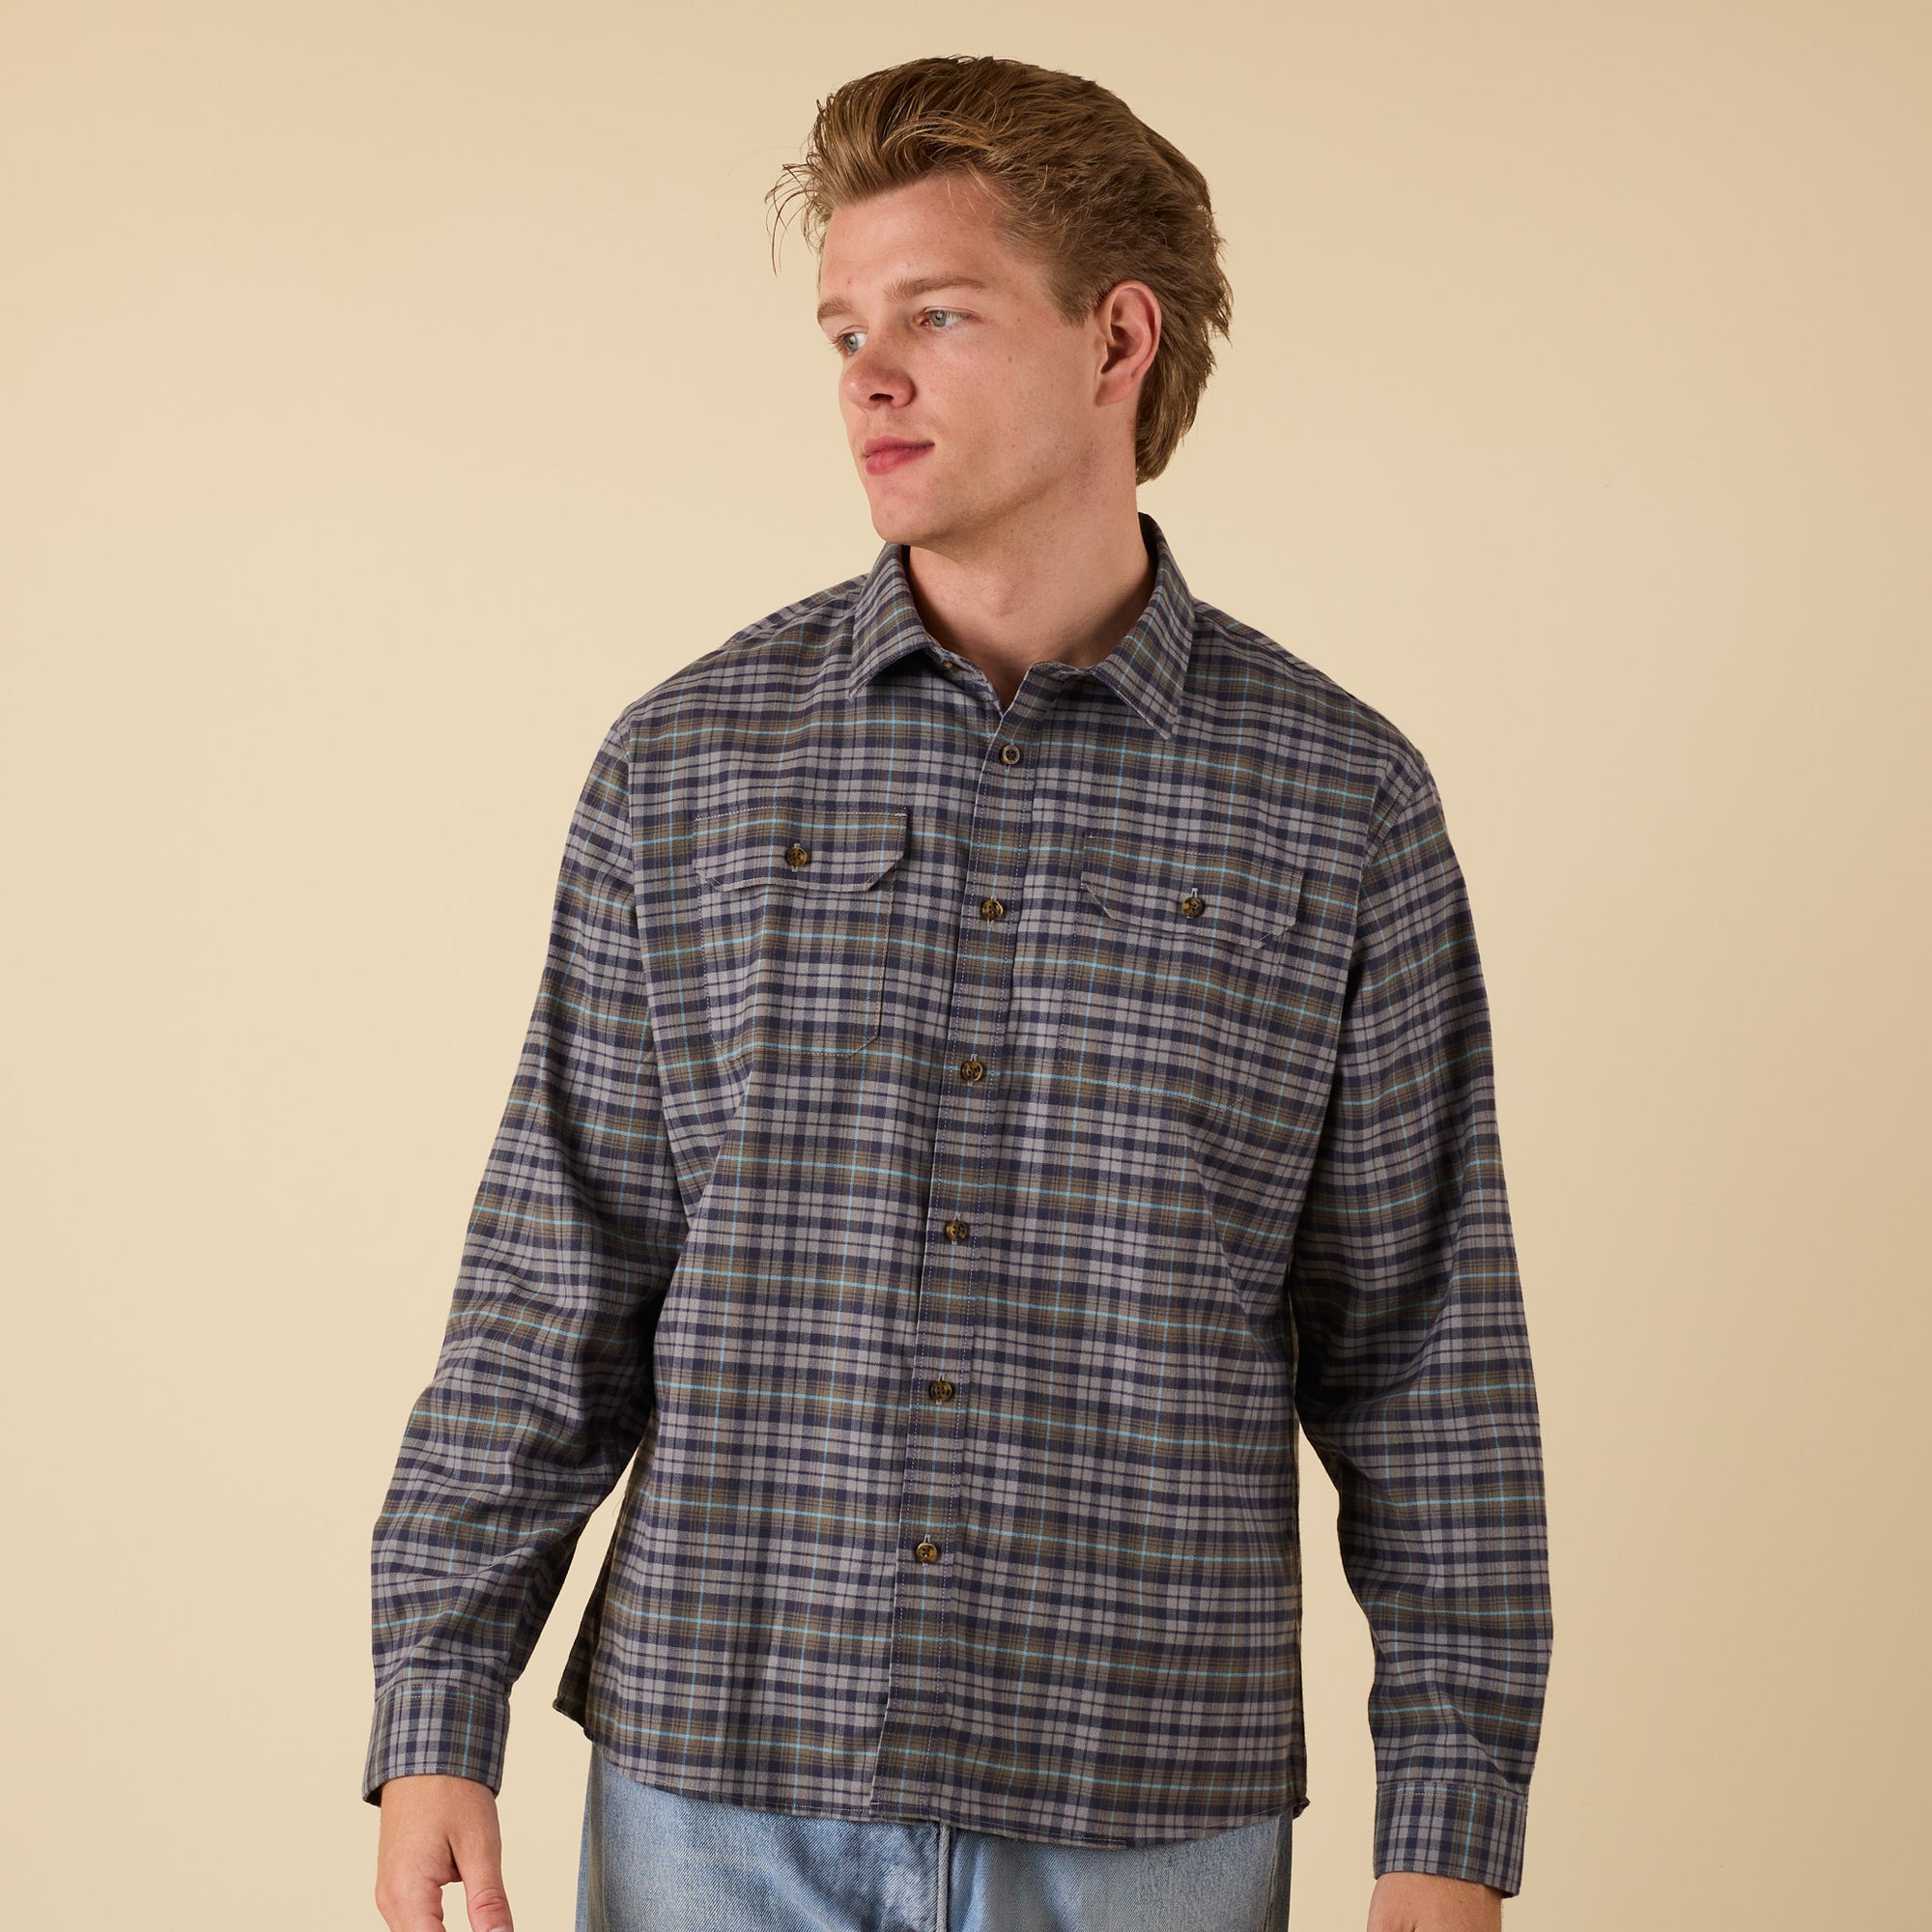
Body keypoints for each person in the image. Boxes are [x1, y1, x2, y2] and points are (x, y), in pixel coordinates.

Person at [365, 53, 1551, 1932]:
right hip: (719, 1790)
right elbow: (555, 1268)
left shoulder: (1340, 804)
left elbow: (1427, 1359)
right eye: (844, 325)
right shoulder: (686, 766)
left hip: (1144, 1802)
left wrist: (1447, 1828)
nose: (867, 374)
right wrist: (440, 1695)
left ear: (1116, 339)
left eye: (936, 312)